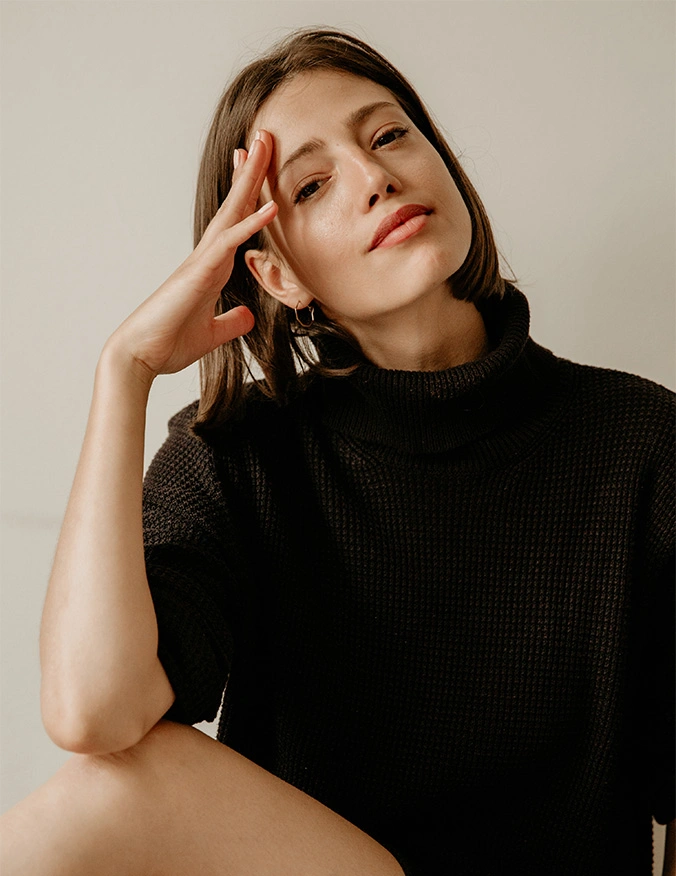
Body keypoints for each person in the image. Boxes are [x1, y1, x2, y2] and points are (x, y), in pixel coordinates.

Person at [1, 27, 673, 876]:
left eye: (390, 134)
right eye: (313, 184)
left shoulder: (644, 445)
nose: (377, 177)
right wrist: (123, 372)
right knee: (116, 780)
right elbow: (93, 713)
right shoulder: (240, 453)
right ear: (277, 273)